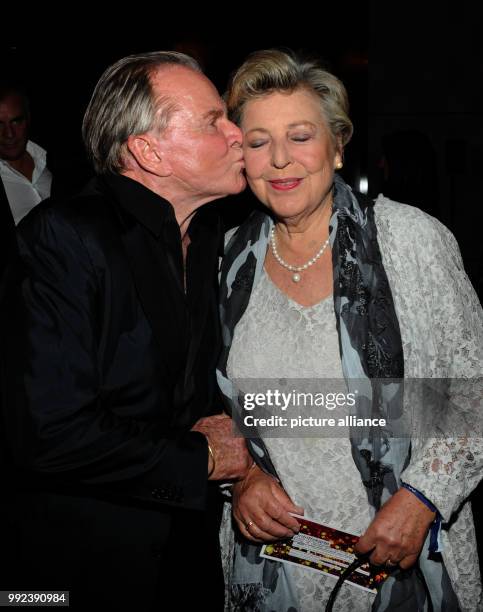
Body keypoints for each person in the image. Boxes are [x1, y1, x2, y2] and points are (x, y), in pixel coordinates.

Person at [217, 49, 483, 611]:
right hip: (276, 571)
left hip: (400, 549)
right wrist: (240, 480)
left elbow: (471, 394)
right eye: (259, 141)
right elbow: (205, 403)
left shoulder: (409, 240)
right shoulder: (227, 262)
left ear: (338, 147)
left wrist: (420, 499)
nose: (280, 160)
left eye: (300, 136)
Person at [0, 51, 251, 611]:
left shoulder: (211, 239)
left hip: (186, 557)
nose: (238, 133)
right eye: (213, 121)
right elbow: (47, 432)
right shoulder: (63, 238)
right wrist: (201, 459)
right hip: (76, 569)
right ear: (148, 150)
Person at [0, 85, 53, 226]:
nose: (9, 134)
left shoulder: (57, 160)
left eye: (16, 121)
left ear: (28, 119)